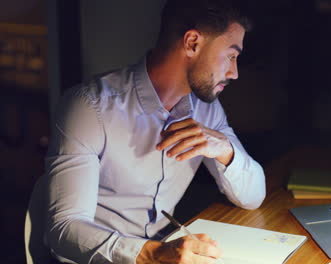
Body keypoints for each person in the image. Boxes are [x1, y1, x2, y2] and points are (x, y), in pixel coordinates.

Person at [43, 0, 266, 263]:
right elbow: (64, 229)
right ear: (192, 42)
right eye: (231, 55)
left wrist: (225, 150)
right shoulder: (89, 107)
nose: (235, 72)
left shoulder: (207, 110)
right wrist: (155, 254)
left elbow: (253, 197)